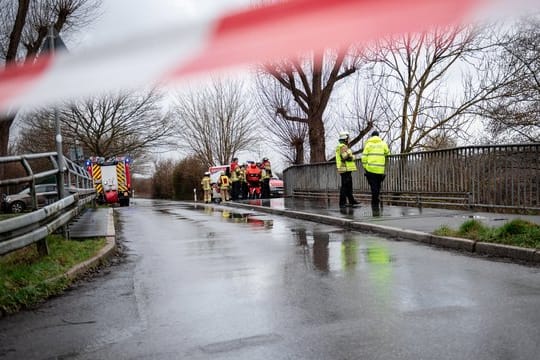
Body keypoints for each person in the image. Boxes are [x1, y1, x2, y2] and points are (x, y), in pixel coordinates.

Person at [362, 130, 390, 216]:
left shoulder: (368, 144)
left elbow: (364, 158)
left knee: (373, 187)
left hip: (370, 169)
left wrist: (365, 167)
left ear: (371, 136)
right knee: (377, 186)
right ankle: (375, 202)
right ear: (378, 136)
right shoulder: (383, 143)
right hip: (380, 169)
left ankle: (374, 203)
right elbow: (387, 153)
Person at [336, 131, 359, 208]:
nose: (349, 139)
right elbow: (345, 157)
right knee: (345, 186)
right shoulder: (343, 146)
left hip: (346, 168)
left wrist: (350, 155)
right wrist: (351, 155)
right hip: (344, 168)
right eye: (348, 138)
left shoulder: (343, 146)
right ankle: (342, 203)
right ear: (345, 138)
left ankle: (351, 200)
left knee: (349, 185)